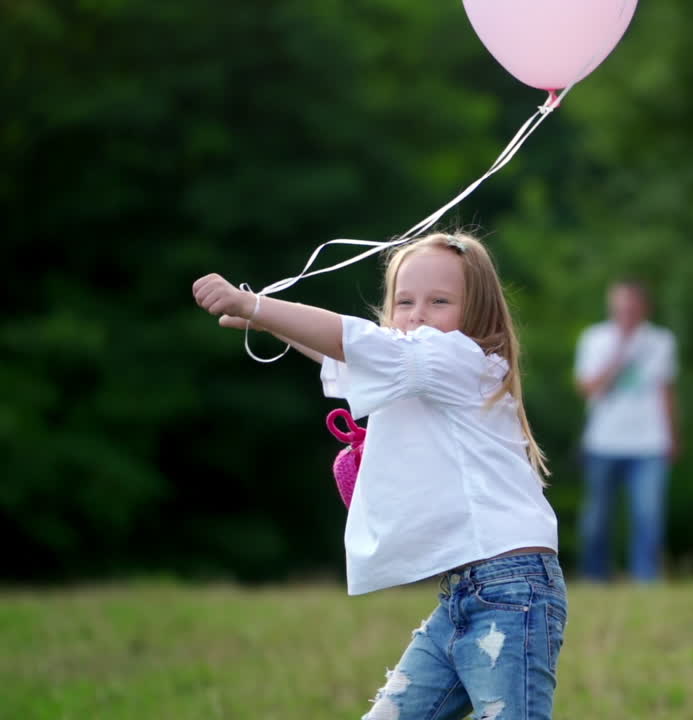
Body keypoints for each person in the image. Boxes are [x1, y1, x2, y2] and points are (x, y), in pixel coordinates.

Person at [192, 232, 567, 720]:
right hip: (465, 593)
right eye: (404, 301)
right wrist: (270, 323)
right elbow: (346, 357)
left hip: (510, 587)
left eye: (440, 301)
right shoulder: (414, 368)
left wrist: (257, 305)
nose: (417, 314)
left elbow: (356, 342)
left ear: (477, 314)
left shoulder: (457, 358)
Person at [573, 280, 678, 582]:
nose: (625, 313)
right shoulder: (594, 339)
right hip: (603, 441)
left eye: (631, 307)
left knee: (648, 514)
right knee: (597, 517)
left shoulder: (661, 341)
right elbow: (588, 388)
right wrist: (618, 356)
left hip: (649, 442)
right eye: (619, 307)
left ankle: (646, 578)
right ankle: (594, 577)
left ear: (644, 307)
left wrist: (671, 435)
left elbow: (666, 391)